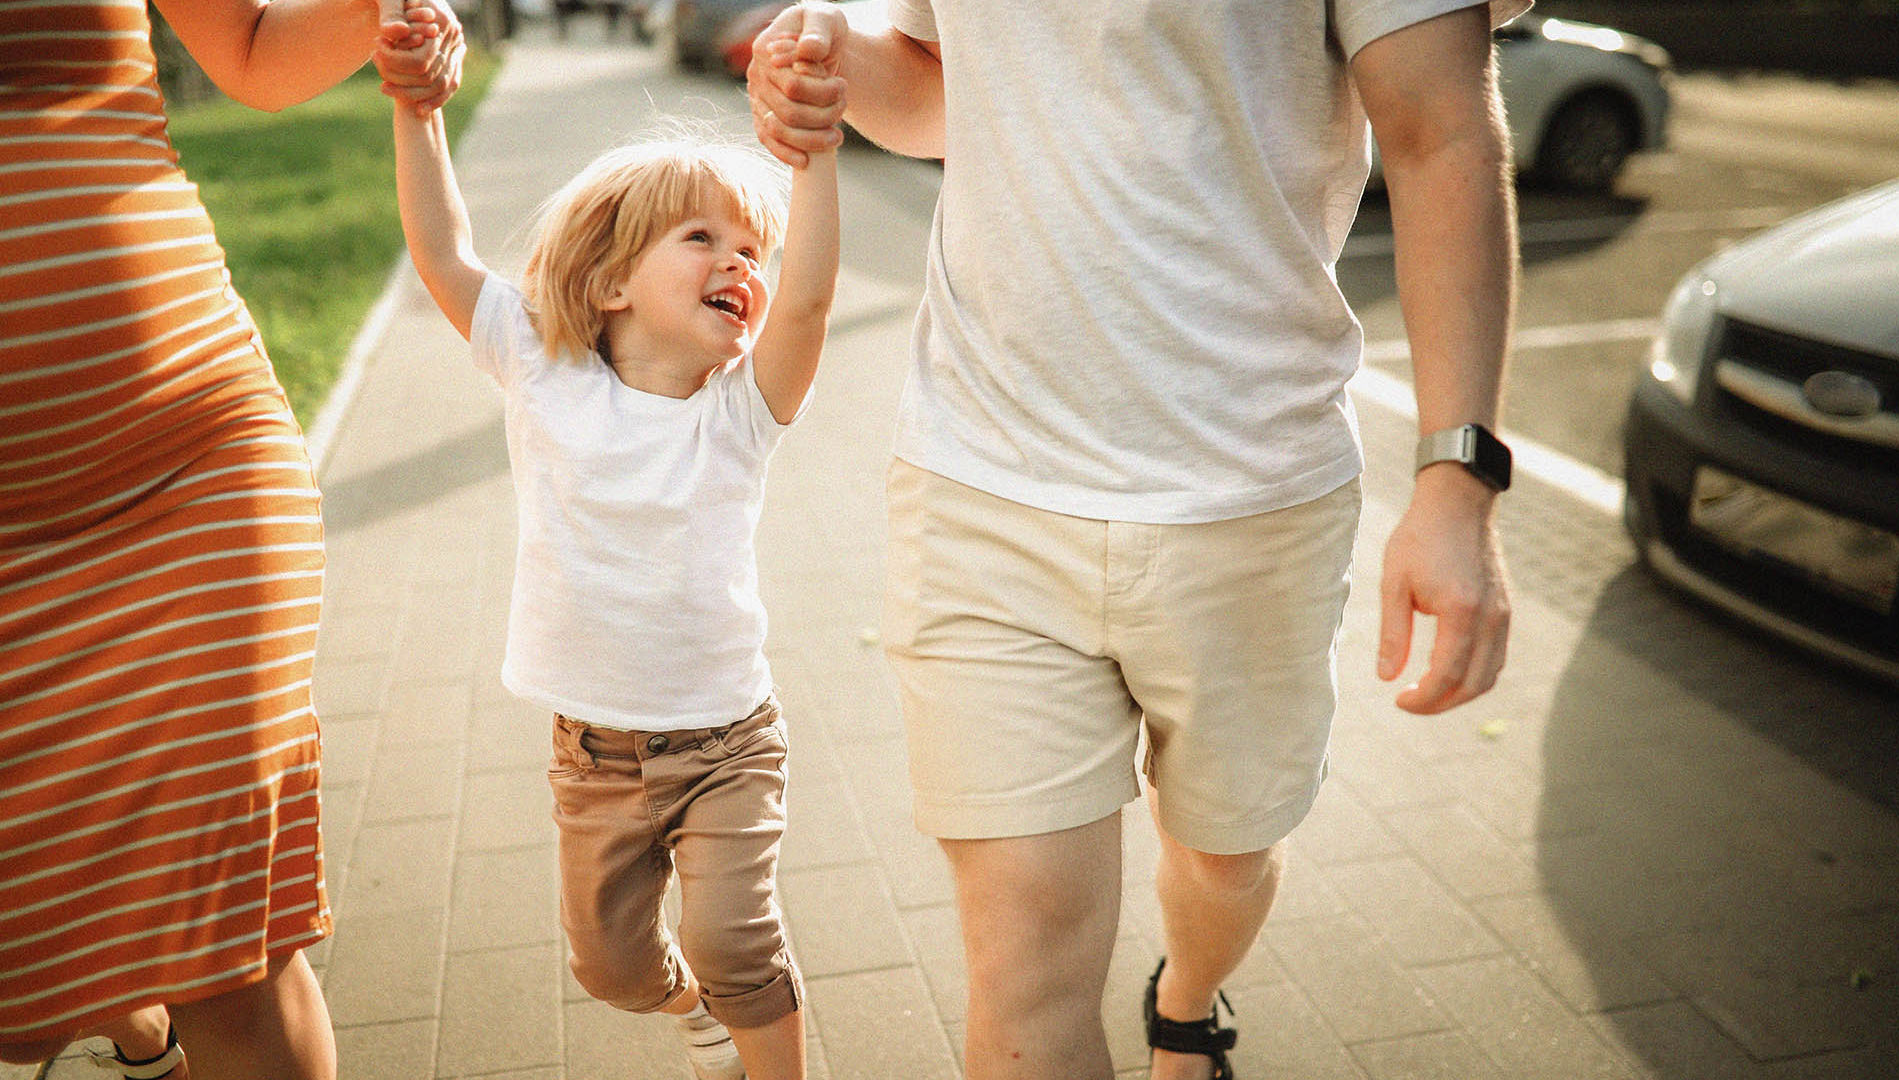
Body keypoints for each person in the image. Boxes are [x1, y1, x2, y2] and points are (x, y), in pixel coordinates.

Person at [748, 1, 1524, 1077]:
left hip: (1251, 498)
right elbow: (942, 91)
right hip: (983, 478)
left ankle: (1189, 999)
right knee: (1021, 976)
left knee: (1221, 862)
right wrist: (833, 64)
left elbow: (1440, 129)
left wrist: (1456, 478)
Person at [0, 2, 461, 1078]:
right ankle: (136, 1022)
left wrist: (379, 10)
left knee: (235, 952)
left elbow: (251, 50)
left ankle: (156, 999)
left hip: (186, 448)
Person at [372, 25, 840, 1077]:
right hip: (594, 756)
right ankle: (694, 1007)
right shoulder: (540, 369)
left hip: (725, 741)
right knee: (614, 971)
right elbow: (446, 254)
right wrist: (417, 108)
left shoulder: (744, 412)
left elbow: (806, 300)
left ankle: (750, 1023)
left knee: (737, 941)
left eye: (750, 251)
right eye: (701, 241)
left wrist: (815, 162)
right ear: (611, 282)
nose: (739, 264)